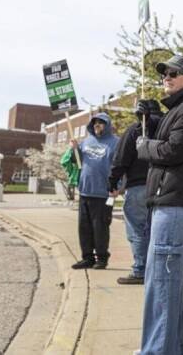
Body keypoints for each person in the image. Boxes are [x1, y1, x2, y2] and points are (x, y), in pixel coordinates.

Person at [135, 55, 183, 355]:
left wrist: (144, 146)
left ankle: (156, 351)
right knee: (164, 284)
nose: (167, 76)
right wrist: (148, 117)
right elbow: (168, 137)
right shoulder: (181, 109)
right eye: (165, 72)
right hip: (168, 202)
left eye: (175, 72)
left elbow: (174, 150)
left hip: (175, 204)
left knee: (162, 285)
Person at [108, 99, 163, 285]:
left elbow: (121, 158)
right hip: (164, 186)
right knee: (158, 230)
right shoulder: (168, 127)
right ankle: (157, 268)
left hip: (139, 185)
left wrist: (112, 181)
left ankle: (140, 269)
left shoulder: (135, 130)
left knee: (137, 229)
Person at [66, 113, 119, 270]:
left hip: (104, 193)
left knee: (100, 228)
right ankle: (87, 258)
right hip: (85, 192)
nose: (97, 125)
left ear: (107, 125)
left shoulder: (115, 143)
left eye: (101, 123)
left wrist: (118, 186)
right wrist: (74, 149)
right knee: (84, 228)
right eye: (95, 123)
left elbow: (121, 165)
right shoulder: (86, 142)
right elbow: (77, 161)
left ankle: (102, 258)